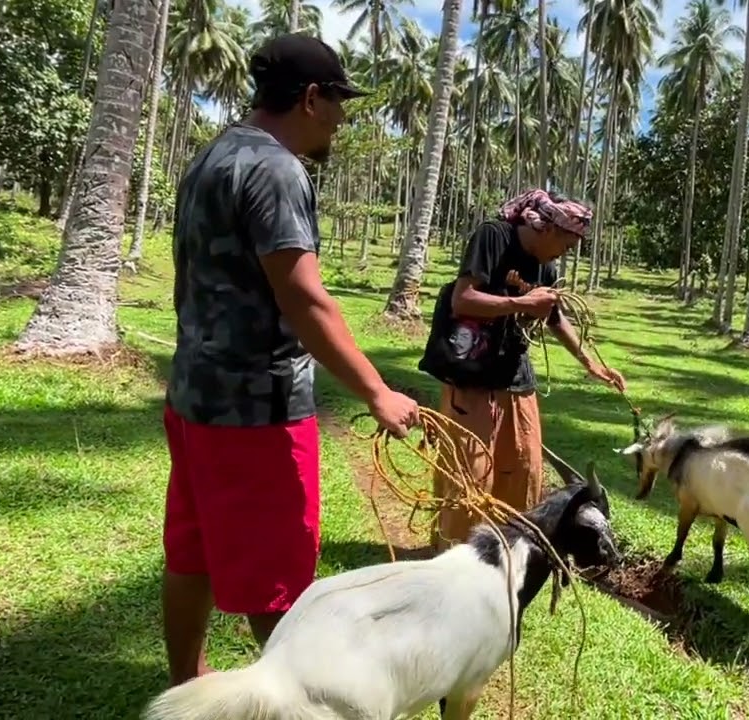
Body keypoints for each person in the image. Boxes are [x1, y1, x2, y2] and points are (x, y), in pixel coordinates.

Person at [160, 33, 420, 688]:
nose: (340, 119)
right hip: (258, 412)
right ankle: (297, 704)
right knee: (279, 579)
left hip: (195, 397)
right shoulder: (277, 170)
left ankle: (188, 680)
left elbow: (188, 275)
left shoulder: (213, 155)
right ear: (311, 98)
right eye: (338, 104)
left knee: (191, 551)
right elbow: (305, 299)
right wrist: (376, 392)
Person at [418, 189, 627, 552]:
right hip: (472, 374)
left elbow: (553, 316)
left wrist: (592, 364)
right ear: (549, 229)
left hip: (515, 377)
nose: (567, 252)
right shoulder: (493, 236)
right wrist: (521, 302)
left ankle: (506, 551)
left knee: (525, 471)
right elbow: (462, 298)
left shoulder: (546, 266)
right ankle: (454, 555)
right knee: (470, 473)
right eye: (568, 243)